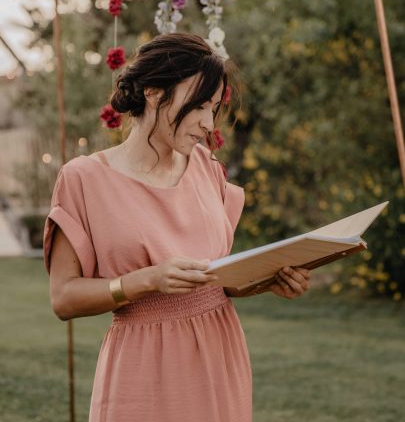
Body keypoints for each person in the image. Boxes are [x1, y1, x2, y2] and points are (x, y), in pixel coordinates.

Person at [43, 32, 311, 422]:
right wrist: (147, 280)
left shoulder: (208, 169)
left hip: (220, 358)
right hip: (143, 365)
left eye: (214, 108)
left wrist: (264, 280)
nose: (207, 123)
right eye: (200, 105)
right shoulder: (83, 179)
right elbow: (63, 298)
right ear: (153, 92)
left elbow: (213, 278)